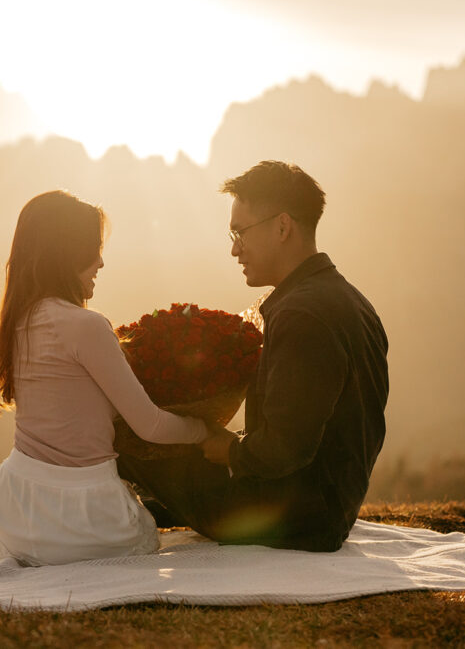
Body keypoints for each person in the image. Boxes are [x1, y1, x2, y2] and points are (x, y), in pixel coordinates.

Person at [118, 161, 389, 552]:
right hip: (326, 507)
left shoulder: (302, 315)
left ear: (282, 227)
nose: (233, 249)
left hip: (292, 516)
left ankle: (81, 529)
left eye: (239, 232)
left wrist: (229, 448)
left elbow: (287, 447)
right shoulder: (351, 300)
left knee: (127, 438)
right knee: (179, 456)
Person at [0, 190, 208, 565]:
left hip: (19, 512)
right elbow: (150, 426)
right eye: (93, 249)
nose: (101, 261)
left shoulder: (18, 322)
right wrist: (205, 431)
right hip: (85, 521)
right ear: (67, 254)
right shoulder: (87, 326)